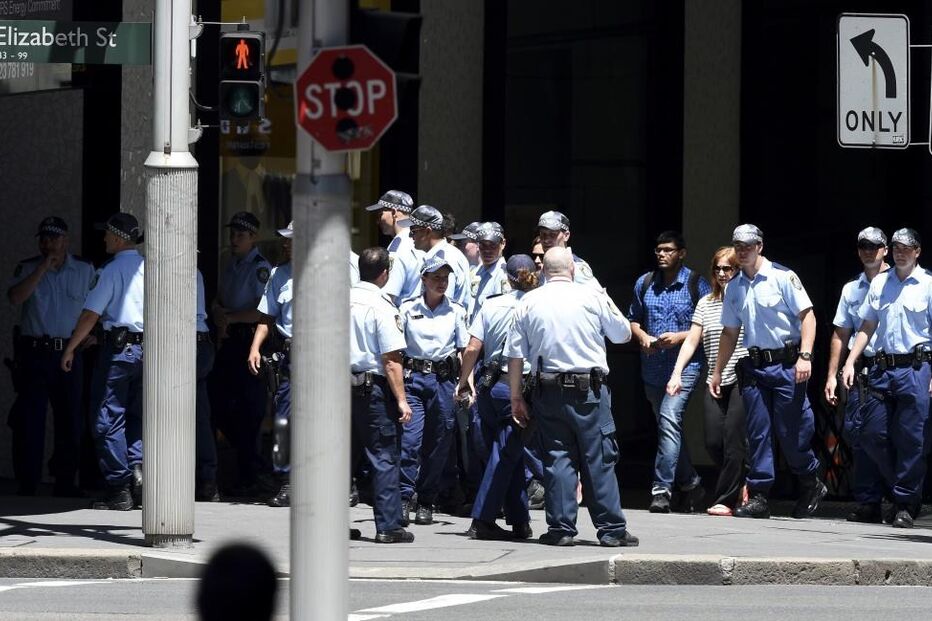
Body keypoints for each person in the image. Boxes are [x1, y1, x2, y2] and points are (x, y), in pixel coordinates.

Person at [507, 247, 638, 547]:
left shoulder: (528, 301)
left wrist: (516, 397)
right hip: (589, 390)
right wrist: (602, 293)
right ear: (573, 270)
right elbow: (622, 335)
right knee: (599, 458)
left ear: (543, 272)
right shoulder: (591, 296)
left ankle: (561, 529)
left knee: (557, 460)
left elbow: (515, 355)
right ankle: (611, 530)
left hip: (547, 390)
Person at [712, 224, 826, 519]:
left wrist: (805, 356)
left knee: (792, 432)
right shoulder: (734, 287)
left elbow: (808, 317)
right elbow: (729, 332)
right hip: (755, 367)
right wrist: (717, 371)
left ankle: (810, 480)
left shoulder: (782, 277)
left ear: (760, 246)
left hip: (788, 364)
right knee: (758, 431)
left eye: (748, 245)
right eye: (738, 245)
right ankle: (760, 495)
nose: (743, 250)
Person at [841, 228, 932, 529]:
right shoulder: (881, 282)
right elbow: (867, 326)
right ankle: (898, 491)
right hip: (882, 368)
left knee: (910, 439)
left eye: (906, 248)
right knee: (871, 433)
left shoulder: (928, 285)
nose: (900, 253)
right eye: (895, 248)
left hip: (916, 369)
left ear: (917, 251)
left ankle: (905, 504)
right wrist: (850, 361)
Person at [61, 212, 145, 511]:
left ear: (119, 238)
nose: (104, 238)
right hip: (146, 352)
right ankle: (138, 477)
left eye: (108, 233)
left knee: (106, 419)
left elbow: (90, 314)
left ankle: (120, 487)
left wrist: (71, 347)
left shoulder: (110, 270)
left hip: (119, 354)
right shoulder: (151, 268)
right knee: (136, 417)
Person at [6, 217, 95, 497]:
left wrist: (97, 332)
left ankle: (65, 481)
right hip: (34, 353)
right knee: (29, 420)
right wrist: (42, 268)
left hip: (68, 353)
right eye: (44, 239)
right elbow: (15, 298)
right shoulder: (28, 267)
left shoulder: (83, 269)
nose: (49, 244)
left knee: (70, 420)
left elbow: (98, 304)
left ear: (66, 241)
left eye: (54, 239)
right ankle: (28, 481)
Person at [629, 231, 711, 513]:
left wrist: (679, 337)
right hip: (652, 368)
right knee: (668, 427)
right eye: (658, 250)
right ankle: (692, 484)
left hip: (686, 367)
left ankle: (661, 490)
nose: (662, 254)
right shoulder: (646, 283)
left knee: (669, 419)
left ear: (681, 253)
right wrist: (642, 338)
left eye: (668, 250)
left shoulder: (696, 283)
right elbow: (633, 320)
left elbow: (708, 324)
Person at [457, 254, 538, 540]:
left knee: (509, 454)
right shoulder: (536, 305)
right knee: (505, 454)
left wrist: (463, 382)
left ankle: (519, 521)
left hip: (490, 386)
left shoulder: (491, 304)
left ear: (507, 277)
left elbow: (472, 347)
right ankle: (482, 519)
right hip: (519, 387)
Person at [667, 246, 748, 516]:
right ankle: (743, 479)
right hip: (715, 377)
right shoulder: (706, 302)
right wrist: (677, 373)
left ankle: (726, 498)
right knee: (713, 440)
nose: (723, 273)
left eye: (729, 268)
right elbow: (692, 340)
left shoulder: (746, 299)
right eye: (718, 268)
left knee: (734, 438)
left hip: (742, 376)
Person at [824, 227, 890, 523]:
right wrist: (832, 374)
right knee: (857, 432)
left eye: (874, 246)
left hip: (897, 366)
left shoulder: (903, 282)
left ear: (885, 249)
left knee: (890, 434)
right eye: (863, 246)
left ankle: (904, 494)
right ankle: (869, 501)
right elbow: (841, 333)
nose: (868, 251)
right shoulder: (852, 289)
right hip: (860, 365)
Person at [397, 257, 469, 526]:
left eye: (445, 278)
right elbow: (396, 348)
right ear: (423, 280)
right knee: (410, 442)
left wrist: (465, 384)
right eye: (436, 277)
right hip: (414, 379)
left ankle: (426, 500)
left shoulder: (456, 311)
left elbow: (464, 351)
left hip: (443, 381)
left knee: (439, 445)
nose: (442, 283)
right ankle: (404, 498)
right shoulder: (406, 308)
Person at [350, 247, 415, 543]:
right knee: (384, 456)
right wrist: (401, 399)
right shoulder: (381, 306)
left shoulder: (337, 300)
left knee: (338, 459)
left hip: (335, 390)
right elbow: (391, 360)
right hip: (370, 391)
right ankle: (388, 526)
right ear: (385, 274)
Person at [209, 211, 273, 497]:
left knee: (249, 412)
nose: (234, 240)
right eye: (232, 234)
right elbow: (220, 299)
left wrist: (231, 319)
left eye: (240, 235)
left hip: (249, 342)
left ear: (253, 237)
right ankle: (246, 469)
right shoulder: (231, 264)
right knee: (219, 406)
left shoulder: (260, 268)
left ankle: (252, 475)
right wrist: (218, 313)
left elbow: (262, 311)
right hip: (228, 340)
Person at [247, 222, 294, 507]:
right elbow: (267, 317)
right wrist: (255, 347)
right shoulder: (278, 274)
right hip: (291, 355)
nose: (286, 245)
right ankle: (286, 482)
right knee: (284, 420)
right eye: (285, 240)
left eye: (292, 240)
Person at [400, 205, 472, 310]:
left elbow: (442, 305)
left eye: (413, 230)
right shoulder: (442, 254)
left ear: (428, 231)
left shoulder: (446, 257)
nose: (410, 236)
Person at [365, 190, 422, 304]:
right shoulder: (419, 240)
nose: (378, 221)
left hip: (403, 315)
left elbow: (389, 295)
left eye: (380, 214)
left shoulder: (398, 246)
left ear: (394, 212)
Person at [195, 269, 219, 501]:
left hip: (190, 343)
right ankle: (208, 480)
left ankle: (207, 479)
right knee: (199, 415)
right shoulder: (195, 270)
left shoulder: (174, 267)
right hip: (199, 343)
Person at [536, 210, 600, 287]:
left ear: (566, 236)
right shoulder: (543, 265)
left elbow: (597, 297)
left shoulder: (577, 267)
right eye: (543, 234)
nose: (546, 240)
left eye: (552, 235)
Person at [469, 222, 509, 321]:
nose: (487, 250)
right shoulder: (476, 272)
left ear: (503, 244)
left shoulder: (504, 275)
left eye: (493, 245)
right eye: (483, 245)